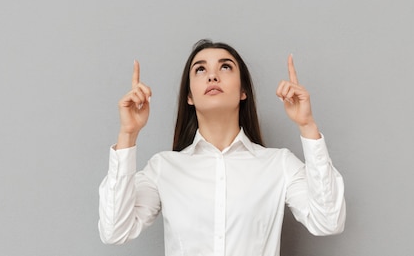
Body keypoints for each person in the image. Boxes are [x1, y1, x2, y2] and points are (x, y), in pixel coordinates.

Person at [98, 39, 345, 256]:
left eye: (225, 67)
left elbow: (328, 221)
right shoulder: (163, 168)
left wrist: (307, 125)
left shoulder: (278, 164)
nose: (212, 76)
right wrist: (128, 135)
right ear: (189, 96)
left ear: (243, 91)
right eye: (200, 69)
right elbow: (114, 230)